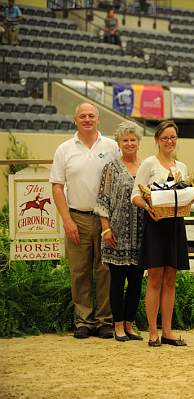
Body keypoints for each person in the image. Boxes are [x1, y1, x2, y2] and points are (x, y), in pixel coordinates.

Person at [50, 102, 119, 339]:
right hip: (77, 217)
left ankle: (104, 321)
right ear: (75, 120)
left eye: (91, 115)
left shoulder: (112, 147)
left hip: (105, 220)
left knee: (105, 270)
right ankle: (83, 321)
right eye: (82, 116)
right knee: (79, 271)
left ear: (98, 119)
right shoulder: (64, 149)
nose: (87, 119)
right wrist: (67, 220)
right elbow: (57, 187)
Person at [131, 120, 190, 347]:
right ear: (156, 140)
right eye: (165, 137)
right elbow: (135, 195)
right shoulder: (149, 164)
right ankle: (153, 331)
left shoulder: (181, 167)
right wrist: (148, 208)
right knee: (155, 278)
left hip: (175, 225)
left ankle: (167, 330)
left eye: (173, 137)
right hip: (155, 224)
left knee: (171, 279)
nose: (169, 141)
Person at [95, 121, 145, 342]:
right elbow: (103, 200)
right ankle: (117, 326)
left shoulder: (146, 167)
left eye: (133, 139)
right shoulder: (111, 168)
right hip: (117, 234)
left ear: (139, 142)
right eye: (125, 140)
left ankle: (130, 324)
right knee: (117, 282)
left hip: (142, 235)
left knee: (136, 282)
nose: (129, 143)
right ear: (119, 143)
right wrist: (105, 228)